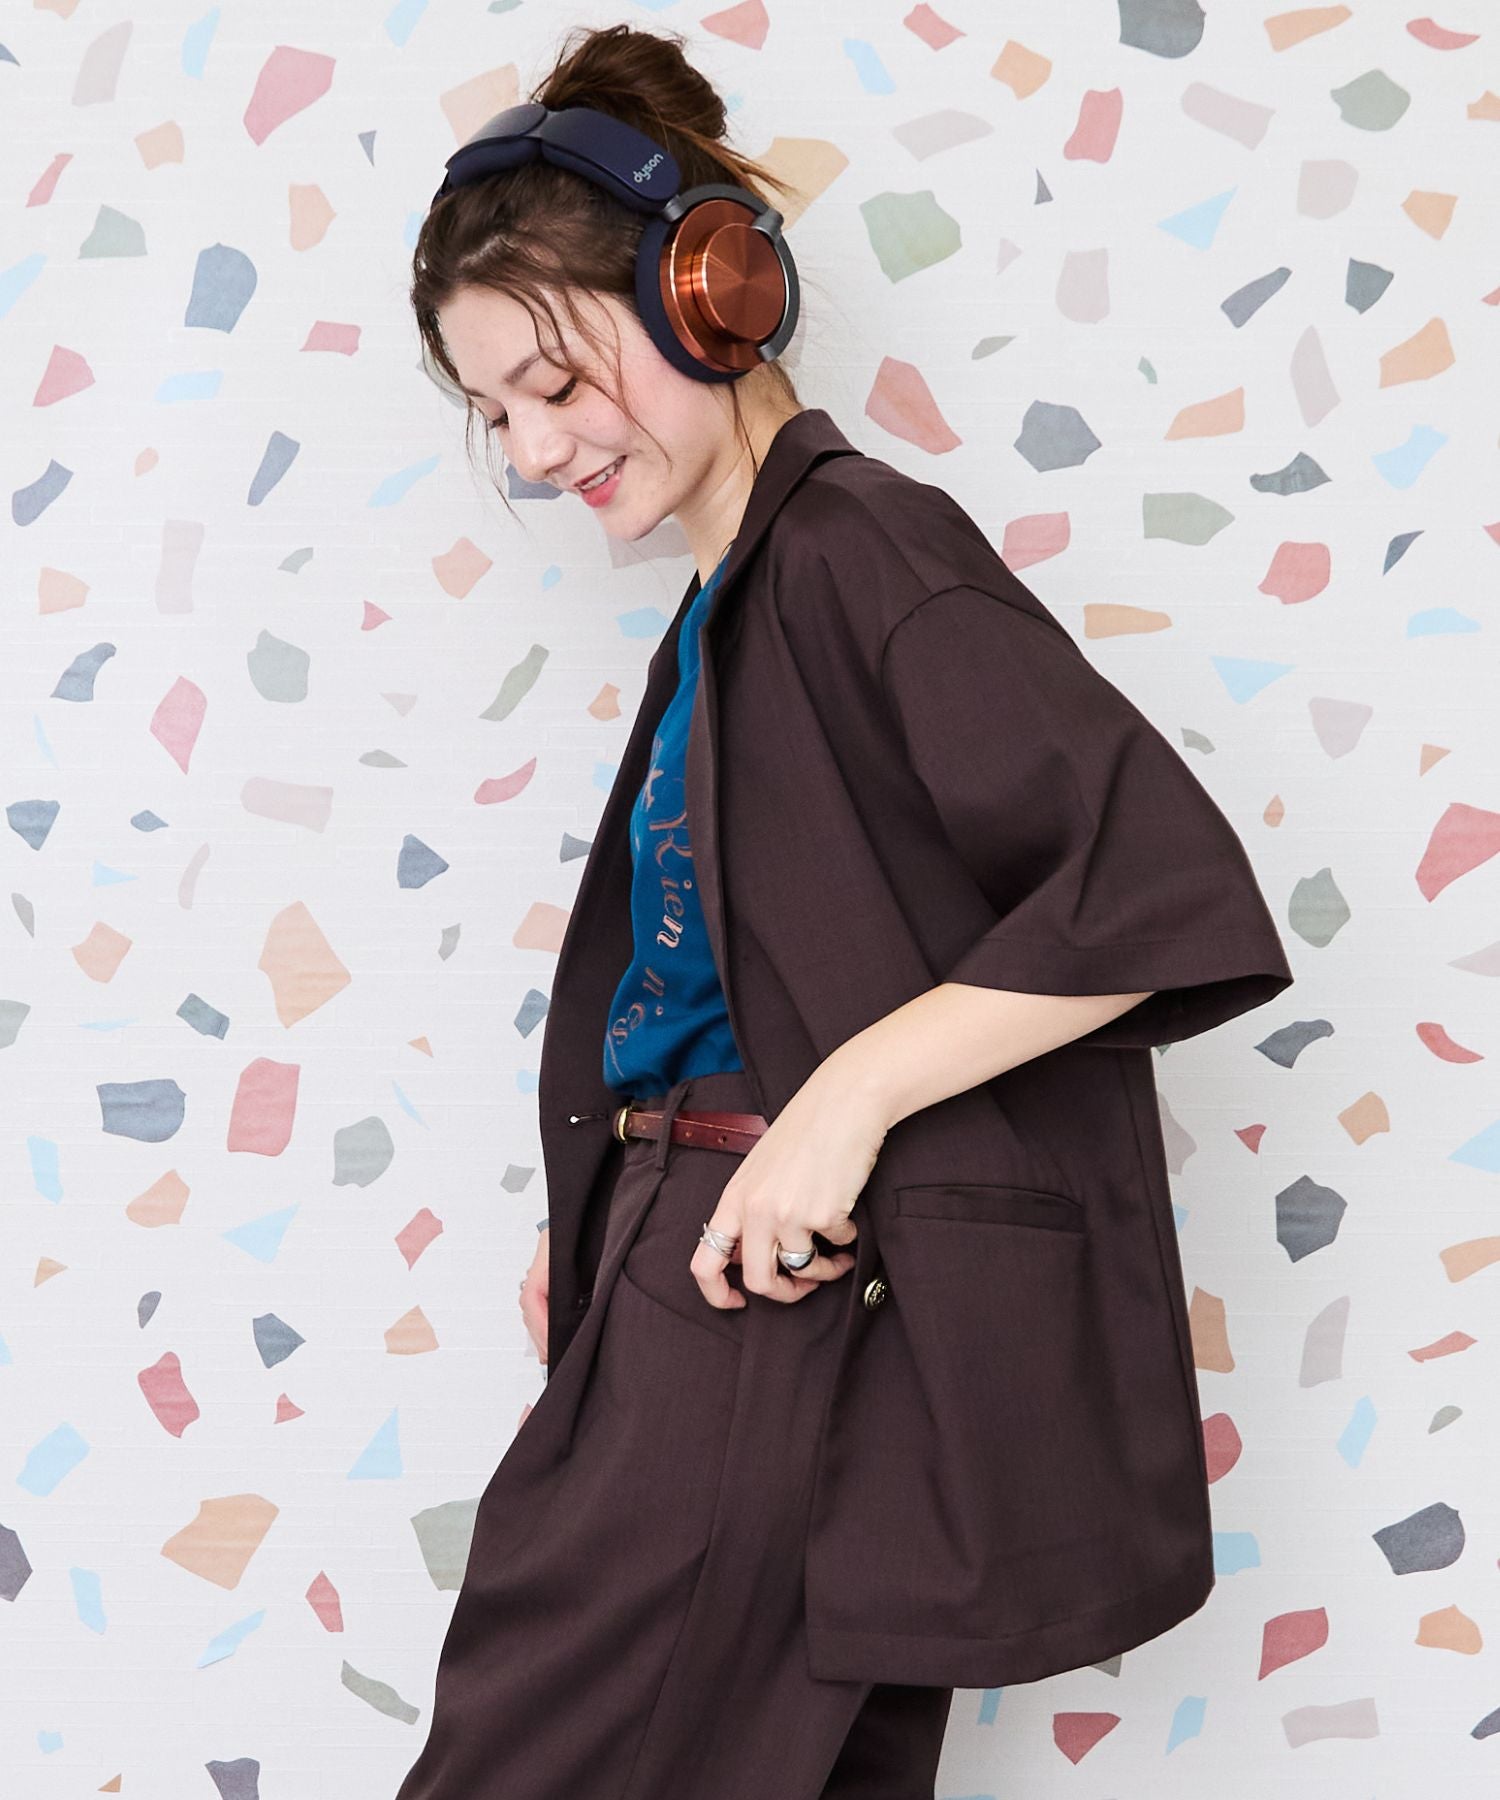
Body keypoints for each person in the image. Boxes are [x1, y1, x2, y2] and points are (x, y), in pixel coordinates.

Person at [395, 22, 1294, 1800]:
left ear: (709, 297)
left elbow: (1155, 885)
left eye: (555, 382)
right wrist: (623, 1196)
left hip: (770, 1286)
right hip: (715, 1258)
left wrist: (835, 1110)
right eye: (496, 412)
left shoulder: (860, 549)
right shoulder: (740, 597)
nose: (536, 446)